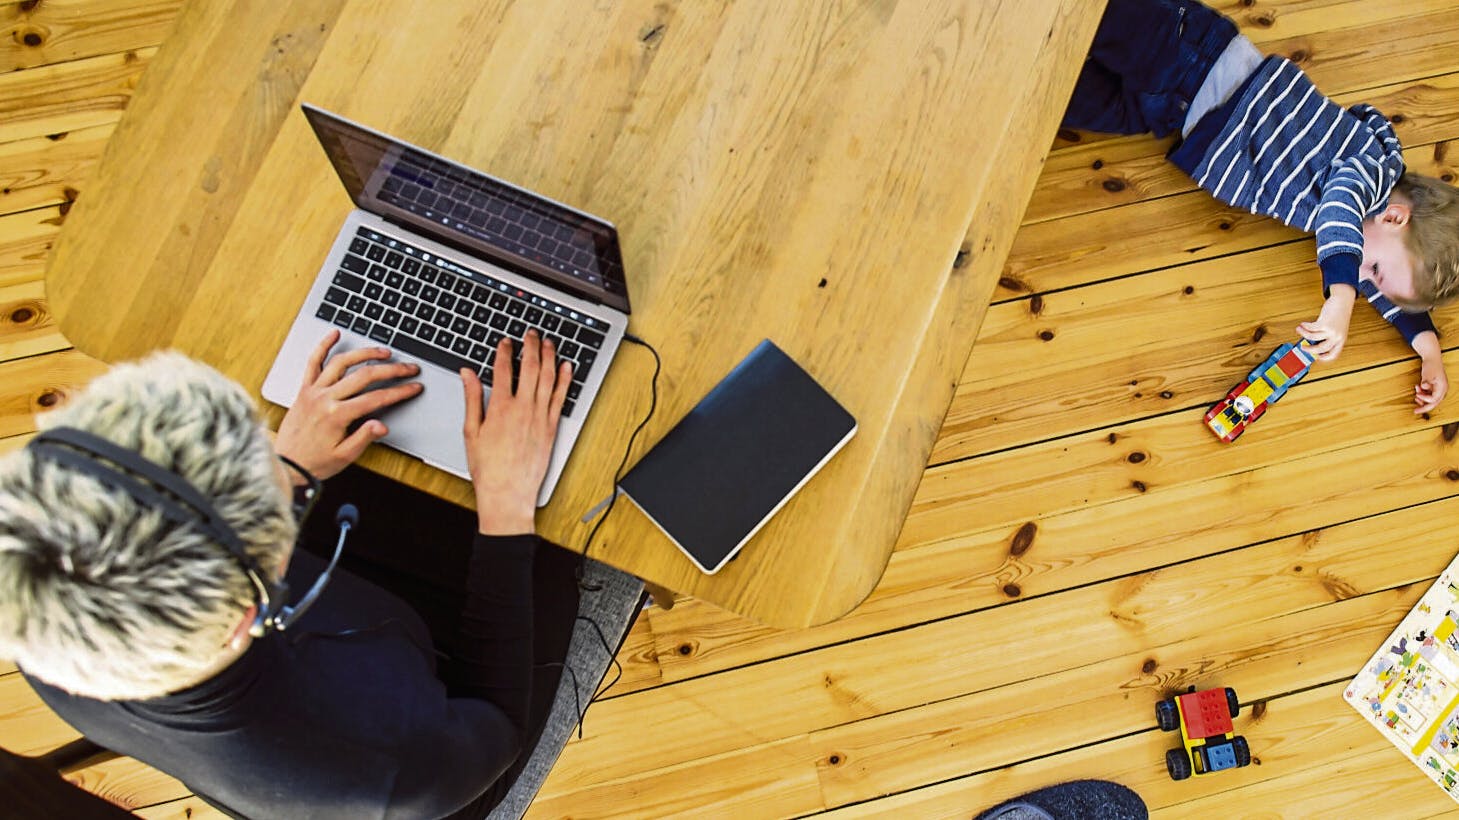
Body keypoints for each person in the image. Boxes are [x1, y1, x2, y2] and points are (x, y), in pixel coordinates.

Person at [0, 329, 641, 819]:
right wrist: (504, 507)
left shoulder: (36, 622)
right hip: (459, 741)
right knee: (592, 491)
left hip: (327, 654)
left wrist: (290, 461)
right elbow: (496, 718)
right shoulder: (393, 773)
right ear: (253, 613)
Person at [1064, 0, 1459, 414]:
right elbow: (1342, 208)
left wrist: (1429, 349)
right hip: (1190, 60)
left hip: (1170, 114)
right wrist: (1339, 296)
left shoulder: (1369, 232)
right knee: (1085, 14)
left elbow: (1378, 277)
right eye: (1373, 270)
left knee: (1053, 93)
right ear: (1395, 217)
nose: (1363, 279)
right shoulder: (1371, 172)